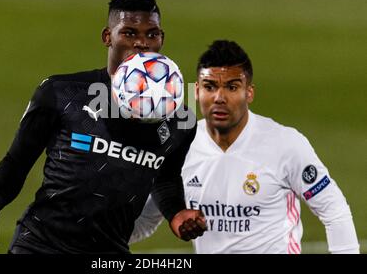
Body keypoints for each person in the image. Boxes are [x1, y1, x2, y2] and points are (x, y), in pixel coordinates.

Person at [0, 0, 206, 254]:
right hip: (40, 245)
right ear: (108, 37)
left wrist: (176, 213)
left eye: (152, 34)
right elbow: (18, 160)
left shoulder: (181, 120)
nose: (142, 43)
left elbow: (165, 177)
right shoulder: (61, 92)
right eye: (129, 32)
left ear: (162, 39)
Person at [130, 40, 360, 254]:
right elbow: (147, 220)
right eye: (210, 87)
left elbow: (334, 210)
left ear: (248, 93)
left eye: (232, 87)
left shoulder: (286, 145)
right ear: (197, 91)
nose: (219, 97)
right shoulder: (180, 148)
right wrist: (97, 239)